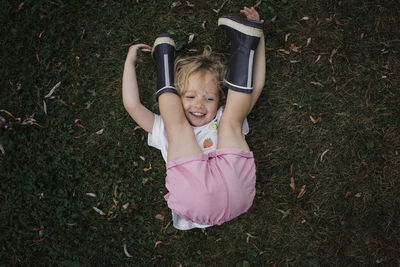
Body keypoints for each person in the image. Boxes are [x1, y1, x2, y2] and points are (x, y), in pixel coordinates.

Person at [122, 6, 265, 230]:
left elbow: (255, 88)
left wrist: (257, 35)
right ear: (178, 99)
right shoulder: (163, 127)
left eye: (209, 99)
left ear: (219, 100)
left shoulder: (219, 116)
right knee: (206, 124)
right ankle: (245, 43)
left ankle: (244, 40)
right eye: (190, 96)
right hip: (222, 194)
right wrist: (129, 66)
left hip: (232, 192)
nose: (199, 104)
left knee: (215, 122)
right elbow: (133, 105)